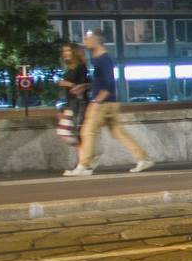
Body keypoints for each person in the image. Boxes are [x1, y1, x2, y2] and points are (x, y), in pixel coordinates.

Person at [65, 31, 153, 176]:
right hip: (109, 102)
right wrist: (86, 86)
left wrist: (96, 101)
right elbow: (101, 83)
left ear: (96, 41)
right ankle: (143, 158)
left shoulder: (103, 60)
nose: (85, 41)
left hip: (103, 102)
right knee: (118, 132)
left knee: (87, 132)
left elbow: (108, 85)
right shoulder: (99, 59)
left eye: (87, 38)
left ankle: (84, 166)